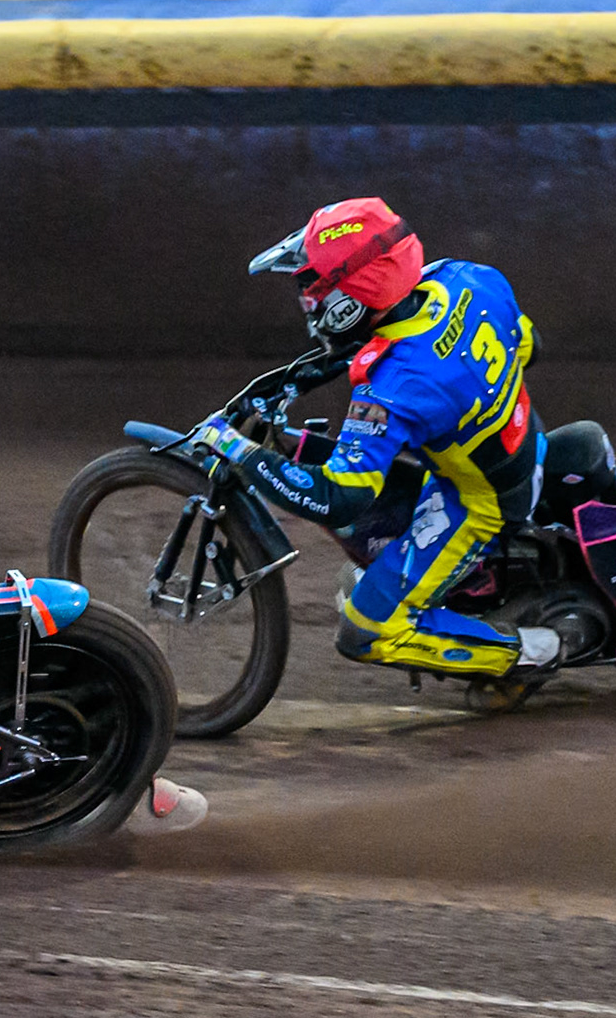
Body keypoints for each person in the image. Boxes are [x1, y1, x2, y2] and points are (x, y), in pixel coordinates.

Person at [190, 198, 562, 700]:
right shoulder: (466, 277)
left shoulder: (393, 387)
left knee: (364, 628)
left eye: (314, 290)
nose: (309, 302)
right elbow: (529, 345)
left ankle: (530, 654)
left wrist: (238, 449)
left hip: (478, 502)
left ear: (349, 299)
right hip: (524, 436)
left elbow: (339, 496)